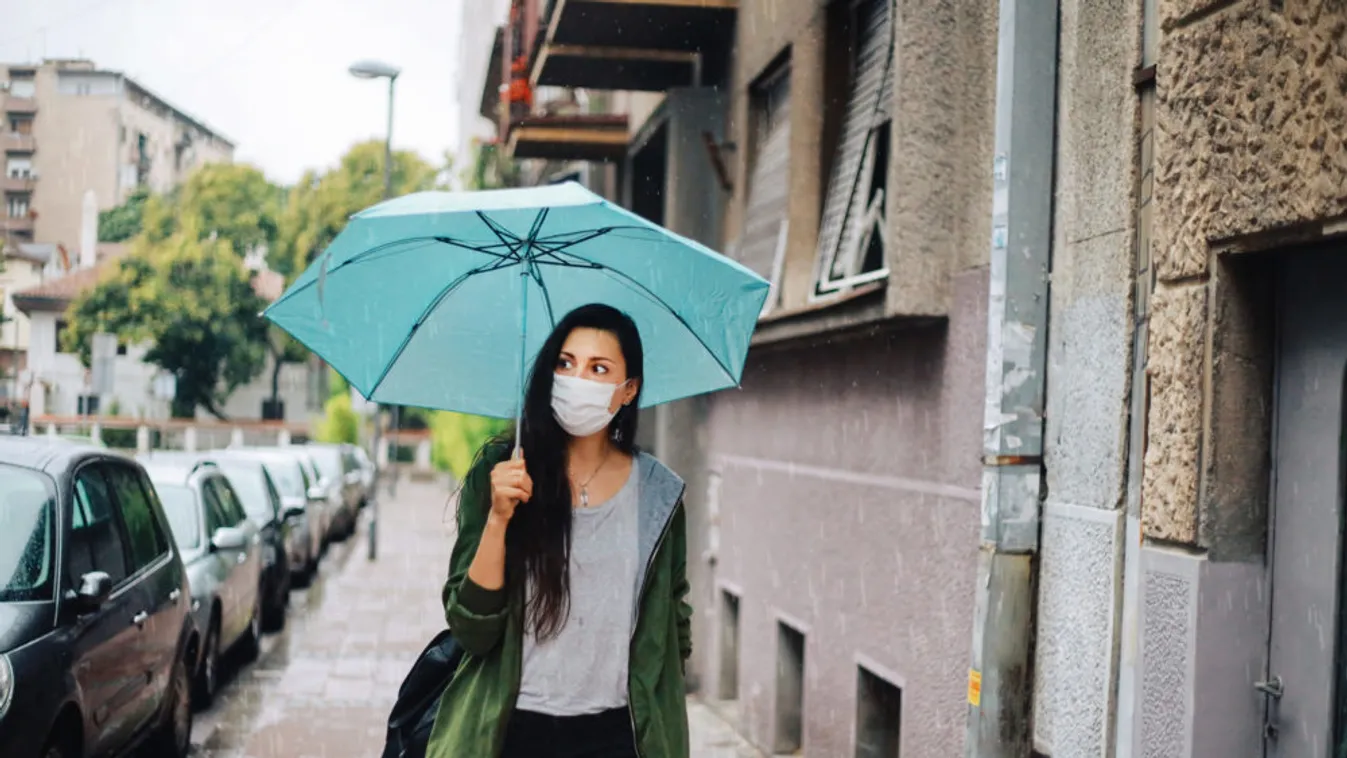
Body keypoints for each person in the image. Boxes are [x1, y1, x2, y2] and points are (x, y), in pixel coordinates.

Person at [426, 304, 692, 758]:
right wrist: (498, 518)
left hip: (618, 737)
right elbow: (471, 629)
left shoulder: (658, 494)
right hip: (510, 732)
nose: (576, 380)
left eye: (598, 368)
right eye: (565, 364)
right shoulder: (504, 472)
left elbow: (673, 621)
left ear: (628, 390)